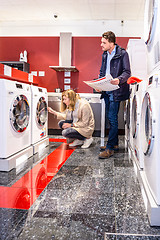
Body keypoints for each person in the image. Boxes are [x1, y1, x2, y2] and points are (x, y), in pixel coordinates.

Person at [97, 31, 131, 159]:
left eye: (104, 42)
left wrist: (119, 79)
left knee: (112, 119)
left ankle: (110, 148)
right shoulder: (105, 55)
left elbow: (127, 72)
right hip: (106, 90)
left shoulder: (122, 54)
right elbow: (102, 71)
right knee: (110, 118)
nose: (101, 45)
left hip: (116, 90)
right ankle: (115, 143)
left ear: (112, 43)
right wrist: (99, 84)